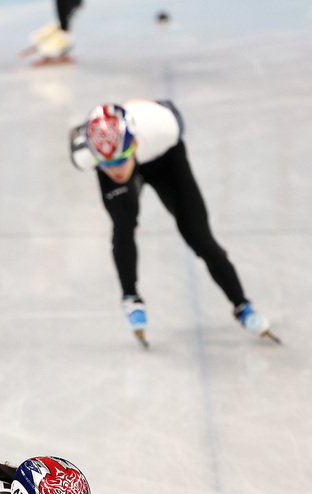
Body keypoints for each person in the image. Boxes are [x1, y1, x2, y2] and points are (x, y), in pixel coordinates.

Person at [69, 101, 275, 346]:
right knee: (123, 223)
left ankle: (242, 305)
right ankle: (131, 297)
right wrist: (114, 160)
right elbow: (112, 161)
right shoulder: (84, 155)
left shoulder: (164, 127)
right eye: (107, 165)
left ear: (133, 143)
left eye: (120, 160)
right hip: (126, 149)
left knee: (198, 234)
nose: (116, 172)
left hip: (164, 157)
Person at [23, 1, 83, 65]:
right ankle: (53, 56)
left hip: (65, 18)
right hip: (65, 17)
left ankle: (53, 56)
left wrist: (64, 26)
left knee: (57, 34)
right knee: (53, 34)